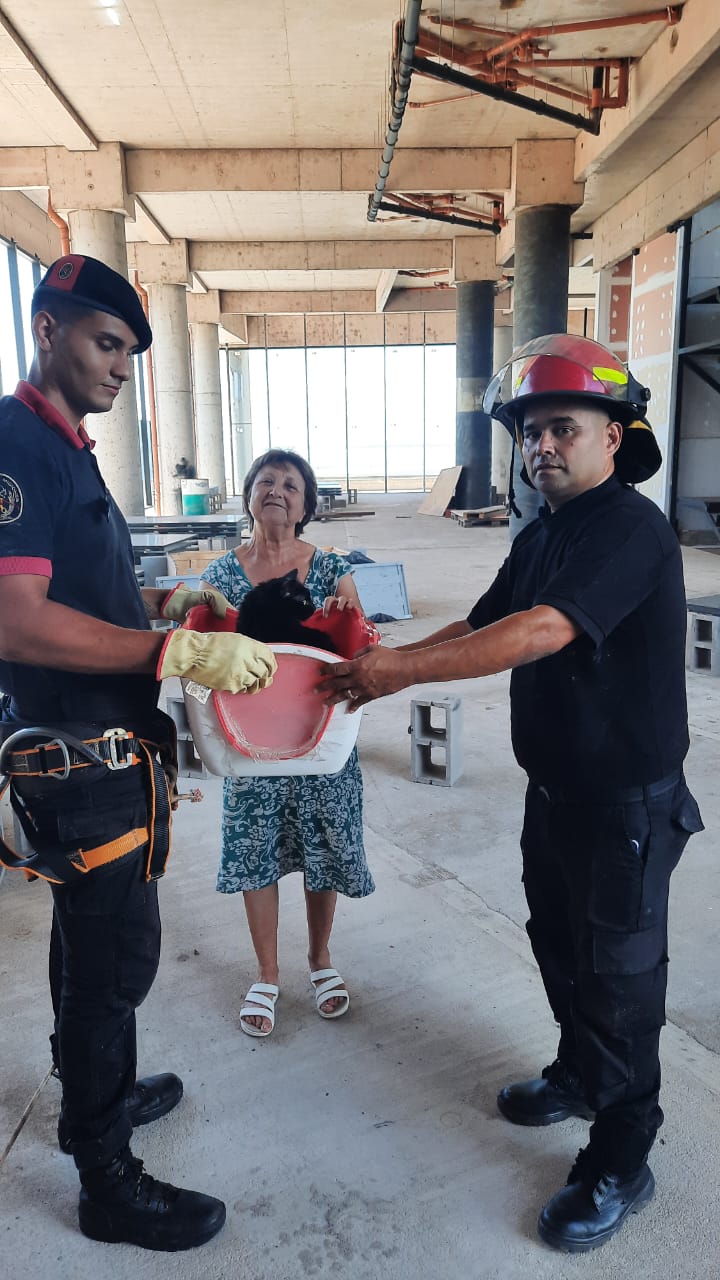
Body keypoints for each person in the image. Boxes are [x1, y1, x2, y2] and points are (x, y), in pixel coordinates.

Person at [318, 333, 704, 1254]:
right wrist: (385, 660)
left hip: (625, 809)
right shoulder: (544, 532)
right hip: (557, 794)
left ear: (615, 434)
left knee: (619, 980)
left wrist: (399, 674)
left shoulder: (628, 529)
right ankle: (578, 1076)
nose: (541, 447)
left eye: (562, 427)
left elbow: (537, 632)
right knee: (560, 945)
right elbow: (484, 621)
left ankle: (622, 1155)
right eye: (530, 433)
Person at [0, 253, 276, 1251]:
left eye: (130, 351)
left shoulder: (70, 450)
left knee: (88, 943)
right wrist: (172, 647)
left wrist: (166, 605)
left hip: (112, 753)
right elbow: (17, 621)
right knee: (118, 960)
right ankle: (106, 1177)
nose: (122, 365)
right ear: (47, 328)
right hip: (75, 758)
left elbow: (84, 593)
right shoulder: (17, 439)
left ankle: (91, 1094)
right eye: (105, 341)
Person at [201, 448, 374, 1037]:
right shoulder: (221, 575)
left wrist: (345, 614)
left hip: (321, 737)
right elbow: (202, 645)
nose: (277, 490)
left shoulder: (329, 567)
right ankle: (267, 973)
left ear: (307, 505)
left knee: (323, 850)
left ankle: (320, 960)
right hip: (249, 741)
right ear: (248, 493)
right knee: (256, 854)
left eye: (291, 485)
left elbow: (360, 643)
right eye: (266, 481)